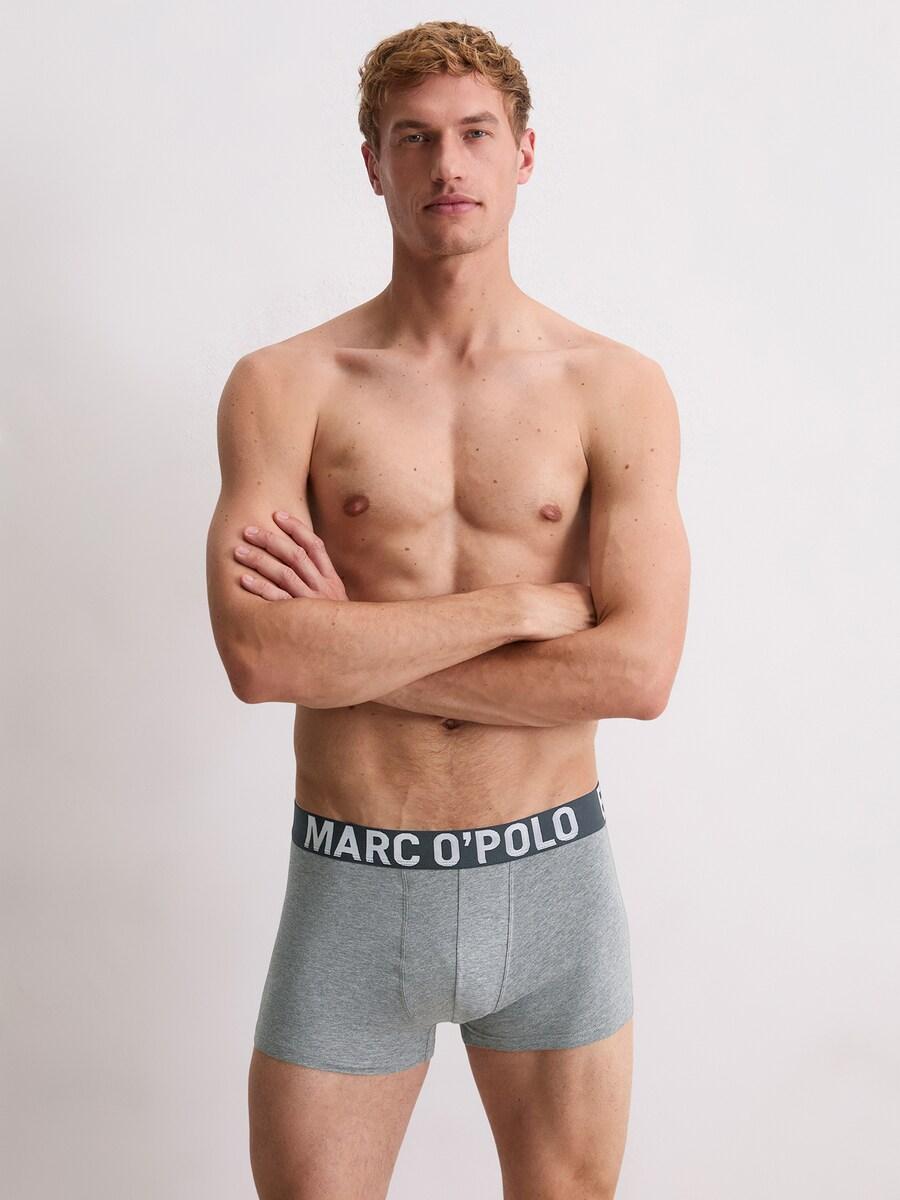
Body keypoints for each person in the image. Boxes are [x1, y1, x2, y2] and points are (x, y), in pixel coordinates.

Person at [205, 19, 690, 1200]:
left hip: (552, 877)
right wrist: (523, 603)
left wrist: (349, 650)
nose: (446, 165)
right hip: (352, 881)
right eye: (413, 139)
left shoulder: (615, 389)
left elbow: (636, 674)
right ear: (373, 163)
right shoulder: (286, 387)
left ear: (526, 154)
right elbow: (263, 658)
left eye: (475, 134)